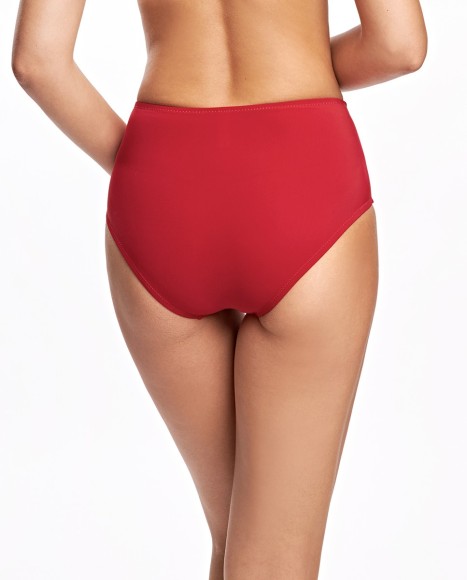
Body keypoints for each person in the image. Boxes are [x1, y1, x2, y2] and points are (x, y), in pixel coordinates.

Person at [11, 1, 427, 578]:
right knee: (273, 558)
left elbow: (38, 61)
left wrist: (144, 169)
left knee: (235, 537)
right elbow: (399, 46)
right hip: (299, 173)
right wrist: (303, 67)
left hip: (162, 191)